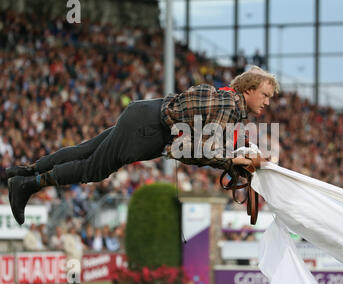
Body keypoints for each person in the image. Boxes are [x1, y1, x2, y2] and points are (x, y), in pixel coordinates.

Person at [7, 66, 279, 225]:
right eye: (265, 95)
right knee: (93, 169)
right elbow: (191, 151)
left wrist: (235, 157)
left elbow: (207, 140)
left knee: (85, 150)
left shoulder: (226, 97)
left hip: (145, 112)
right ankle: (26, 185)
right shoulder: (229, 108)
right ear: (249, 90)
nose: (267, 102)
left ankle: (22, 172)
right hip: (149, 131)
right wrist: (232, 163)